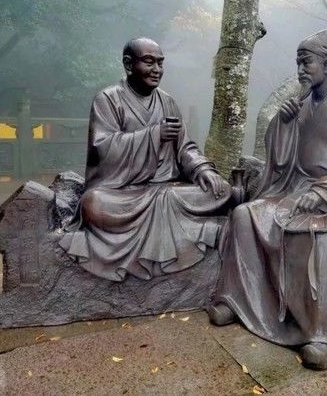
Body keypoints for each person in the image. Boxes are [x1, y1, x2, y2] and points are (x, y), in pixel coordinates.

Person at [208, 30, 327, 370]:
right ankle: (237, 301)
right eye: (298, 62)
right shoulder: (299, 106)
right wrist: (282, 126)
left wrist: (324, 189)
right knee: (244, 216)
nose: (300, 69)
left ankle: (323, 334)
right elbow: (281, 163)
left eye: (306, 62)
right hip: (292, 191)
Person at [60, 38, 231, 281]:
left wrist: (204, 170)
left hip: (167, 190)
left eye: (161, 63)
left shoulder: (167, 102)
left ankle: (230, 195)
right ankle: (210, 214)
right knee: (93, 204)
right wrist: (153, 134)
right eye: (149, 62)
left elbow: (185, 148)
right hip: (123, 194)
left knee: (216, 191)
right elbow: (102, 148)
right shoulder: (108, 99)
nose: (157, 70)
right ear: (129, 65)